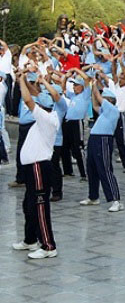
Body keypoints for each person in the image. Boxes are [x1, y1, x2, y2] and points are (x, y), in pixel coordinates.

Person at [11, 73, 60, 259]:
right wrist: (24, 79)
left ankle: (48, 245)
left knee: (40, 206)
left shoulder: (46, 119)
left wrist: (22, 81)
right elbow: (36, 95)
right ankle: (30, 239)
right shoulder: (48, 113)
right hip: (33, 167)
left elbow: (28, 99)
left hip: (39, 166)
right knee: (28, 204)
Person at [79, 80, 123, 212]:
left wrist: (94, 84)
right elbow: (95, 102)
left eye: (104, 98)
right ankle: (93, 197)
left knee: (104, 169)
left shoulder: (113, 109)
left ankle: (115, 200)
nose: (101, 99)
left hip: (103, 139)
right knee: (91, 168)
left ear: (109, 100)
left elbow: (98, 98)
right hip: (94, 139)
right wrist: (93, 90)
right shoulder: (105, 111)